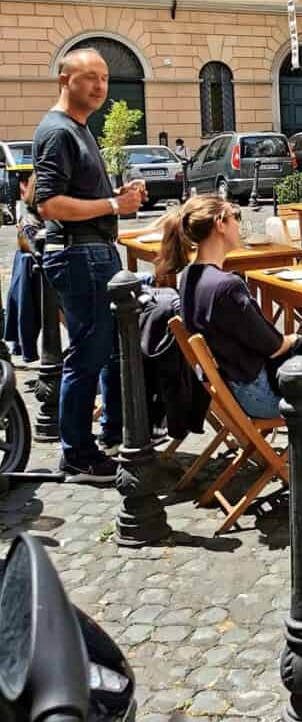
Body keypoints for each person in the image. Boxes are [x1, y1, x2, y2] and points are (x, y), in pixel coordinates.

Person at [33, 48, 146, 481]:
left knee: (109, 350)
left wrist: (119, 200)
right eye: (90, 78)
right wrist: (113, 203)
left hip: (93, 250)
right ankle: (78, 454)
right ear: (65, 80)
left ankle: (113, 432)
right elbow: (49, 204)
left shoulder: (79, 128)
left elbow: (80, 195)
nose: (100, 86)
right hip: (79, 253)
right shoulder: (59, 131)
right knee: (88, 354)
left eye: (103, 78)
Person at [159, 195, 300, 418]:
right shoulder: (227, 287)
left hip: (231, 390)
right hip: (260, 395)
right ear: (219, 224)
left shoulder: (188, 276)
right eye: (235, 217)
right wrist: (295, 338)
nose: (238, 224)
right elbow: (273, 346)